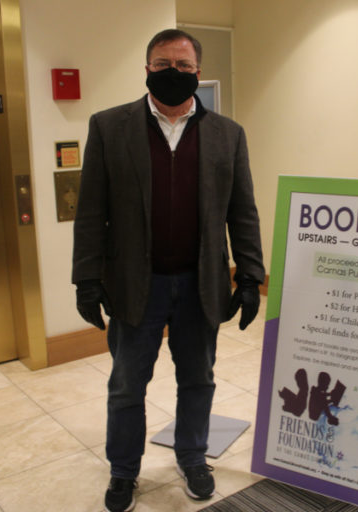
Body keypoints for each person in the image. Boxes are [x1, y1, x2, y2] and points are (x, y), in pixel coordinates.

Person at [72, 28, 264, 512]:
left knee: (198, 379)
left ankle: (193, 456)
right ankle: (123, 471)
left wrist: (250, 277)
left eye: (182, 66)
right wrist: (87, 278)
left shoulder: (228, 134)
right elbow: (92, 211)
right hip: (137, 285)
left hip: (200, 285)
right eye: (162, 65)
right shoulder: (109, 127)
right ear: (146, 70)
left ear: (198, 72)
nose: (172, 74)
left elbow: (242, 212)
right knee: (126, 385)